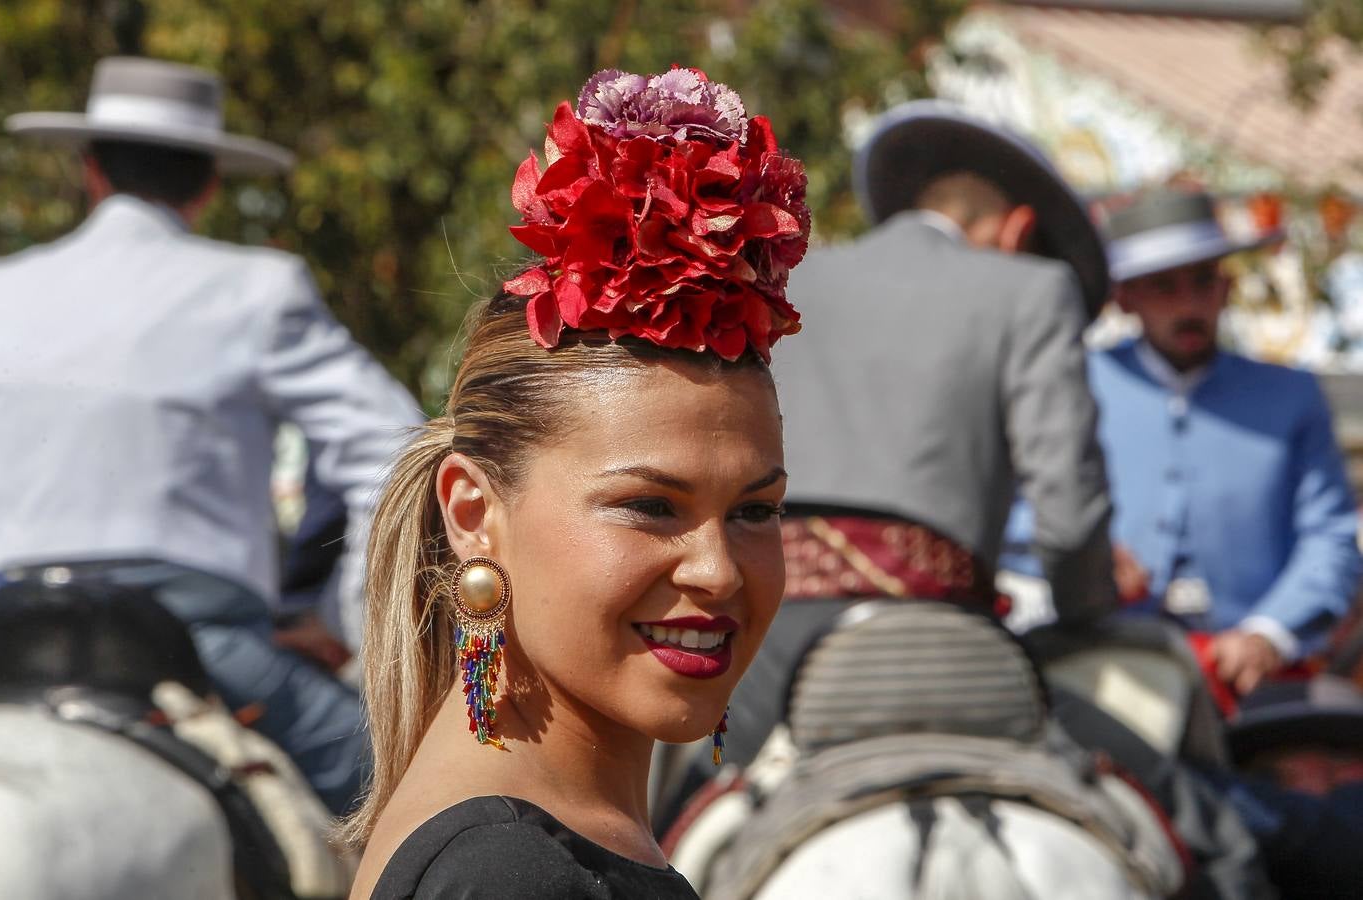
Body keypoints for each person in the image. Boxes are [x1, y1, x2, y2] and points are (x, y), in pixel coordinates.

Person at [343, 66, 809, 898]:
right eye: (650, 507)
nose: (719, 570)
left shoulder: (552, 837)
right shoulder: (512, 871)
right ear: (473, 512)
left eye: (755, 510)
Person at [0, 56, 421, 814]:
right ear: (207, 184)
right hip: (201, 652)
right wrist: (343, 621)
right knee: (412, 796)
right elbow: (396, 449)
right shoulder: (257, 292)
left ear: (90, 171)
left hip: (8, 644)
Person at [687, 102, 1118, 789]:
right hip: (941, 641)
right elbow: (1067, 515)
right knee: (1174, 819)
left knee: (651, 824)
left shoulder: (787, 280)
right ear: (1019, 229)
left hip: (760, 636)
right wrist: (1089, 615)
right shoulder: (1033, 288)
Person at [1091, 187, 1362, 696]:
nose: (1189, 305)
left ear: (1227, 289)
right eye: (1163, 287)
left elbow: (1329, 535)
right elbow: (1023, 517)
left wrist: (1268, 632)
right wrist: (1091, 558)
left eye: (1202, 283)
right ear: (1124, 297)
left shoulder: (1291, 395)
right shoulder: (1078, 386)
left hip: (1256, 675)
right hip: (1108, 667)